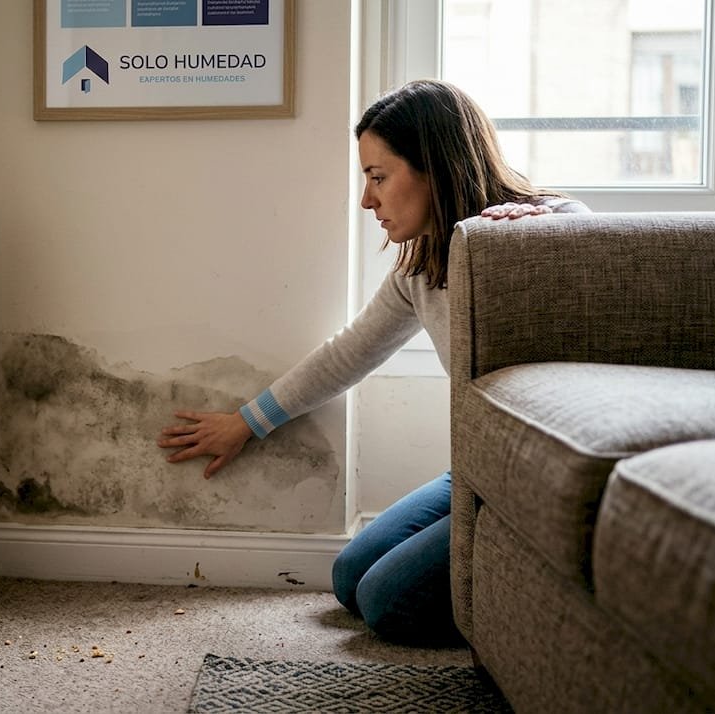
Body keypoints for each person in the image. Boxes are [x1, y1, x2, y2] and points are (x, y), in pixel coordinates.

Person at [155, 79, 590, 645]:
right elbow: (347, 354)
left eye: (378, 177)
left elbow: (595, 252)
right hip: (474, 470)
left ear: (435, 165)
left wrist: (545, 236)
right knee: (349, 576)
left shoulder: (544, 227)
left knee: (389, 605)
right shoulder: (420, 269)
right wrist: (245, 423)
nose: (367, 200)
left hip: (533, 479)